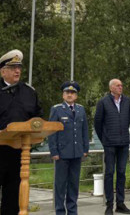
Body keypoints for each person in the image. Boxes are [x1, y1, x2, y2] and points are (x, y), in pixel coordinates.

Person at [0, 49, 43, 215]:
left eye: (19, 67)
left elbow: (38, 117)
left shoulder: (29, 92)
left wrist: (36, 130)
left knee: (12, 200)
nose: (17, 70)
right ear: (3, 71)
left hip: (19, 153)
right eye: (13, 68)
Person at [48, 81, 90, 215]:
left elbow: (84, 130)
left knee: (73, 185)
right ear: (63, 95)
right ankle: (60, 211)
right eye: (67, 93)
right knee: (60, 185)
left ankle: (72, 211)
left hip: (76, 153)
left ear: (76, 96)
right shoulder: (57, 109)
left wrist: (85, 149)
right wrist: (53, 151)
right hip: (61, 153)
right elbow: (52, 131)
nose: (70, 95)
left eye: (72, 93)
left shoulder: (80, 109)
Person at [94, 79, 130, 215]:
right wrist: (105, 139)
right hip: (109, 144)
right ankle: (109, 205)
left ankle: (120, 204)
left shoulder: (127, 101)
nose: (121, 87)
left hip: (124, 144)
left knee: (121, 173)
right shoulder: (103, 102)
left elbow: (128, 120)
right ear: (111, 88)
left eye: (122, 85)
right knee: (109, 173)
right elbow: (97, 123)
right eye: (118, 85)